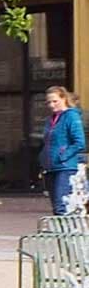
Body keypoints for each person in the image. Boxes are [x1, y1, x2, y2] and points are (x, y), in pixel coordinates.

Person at [44, 86, 84, 215]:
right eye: (48, 102)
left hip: (65, 167)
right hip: (51, 167)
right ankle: (60, 234)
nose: (51, 105)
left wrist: (63, 155)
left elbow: (79, 142)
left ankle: (67, 233)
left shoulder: (71, 116)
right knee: (56, 208)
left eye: (55, 101)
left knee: (62, 205)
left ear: (64, 99)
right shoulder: (51, 119)